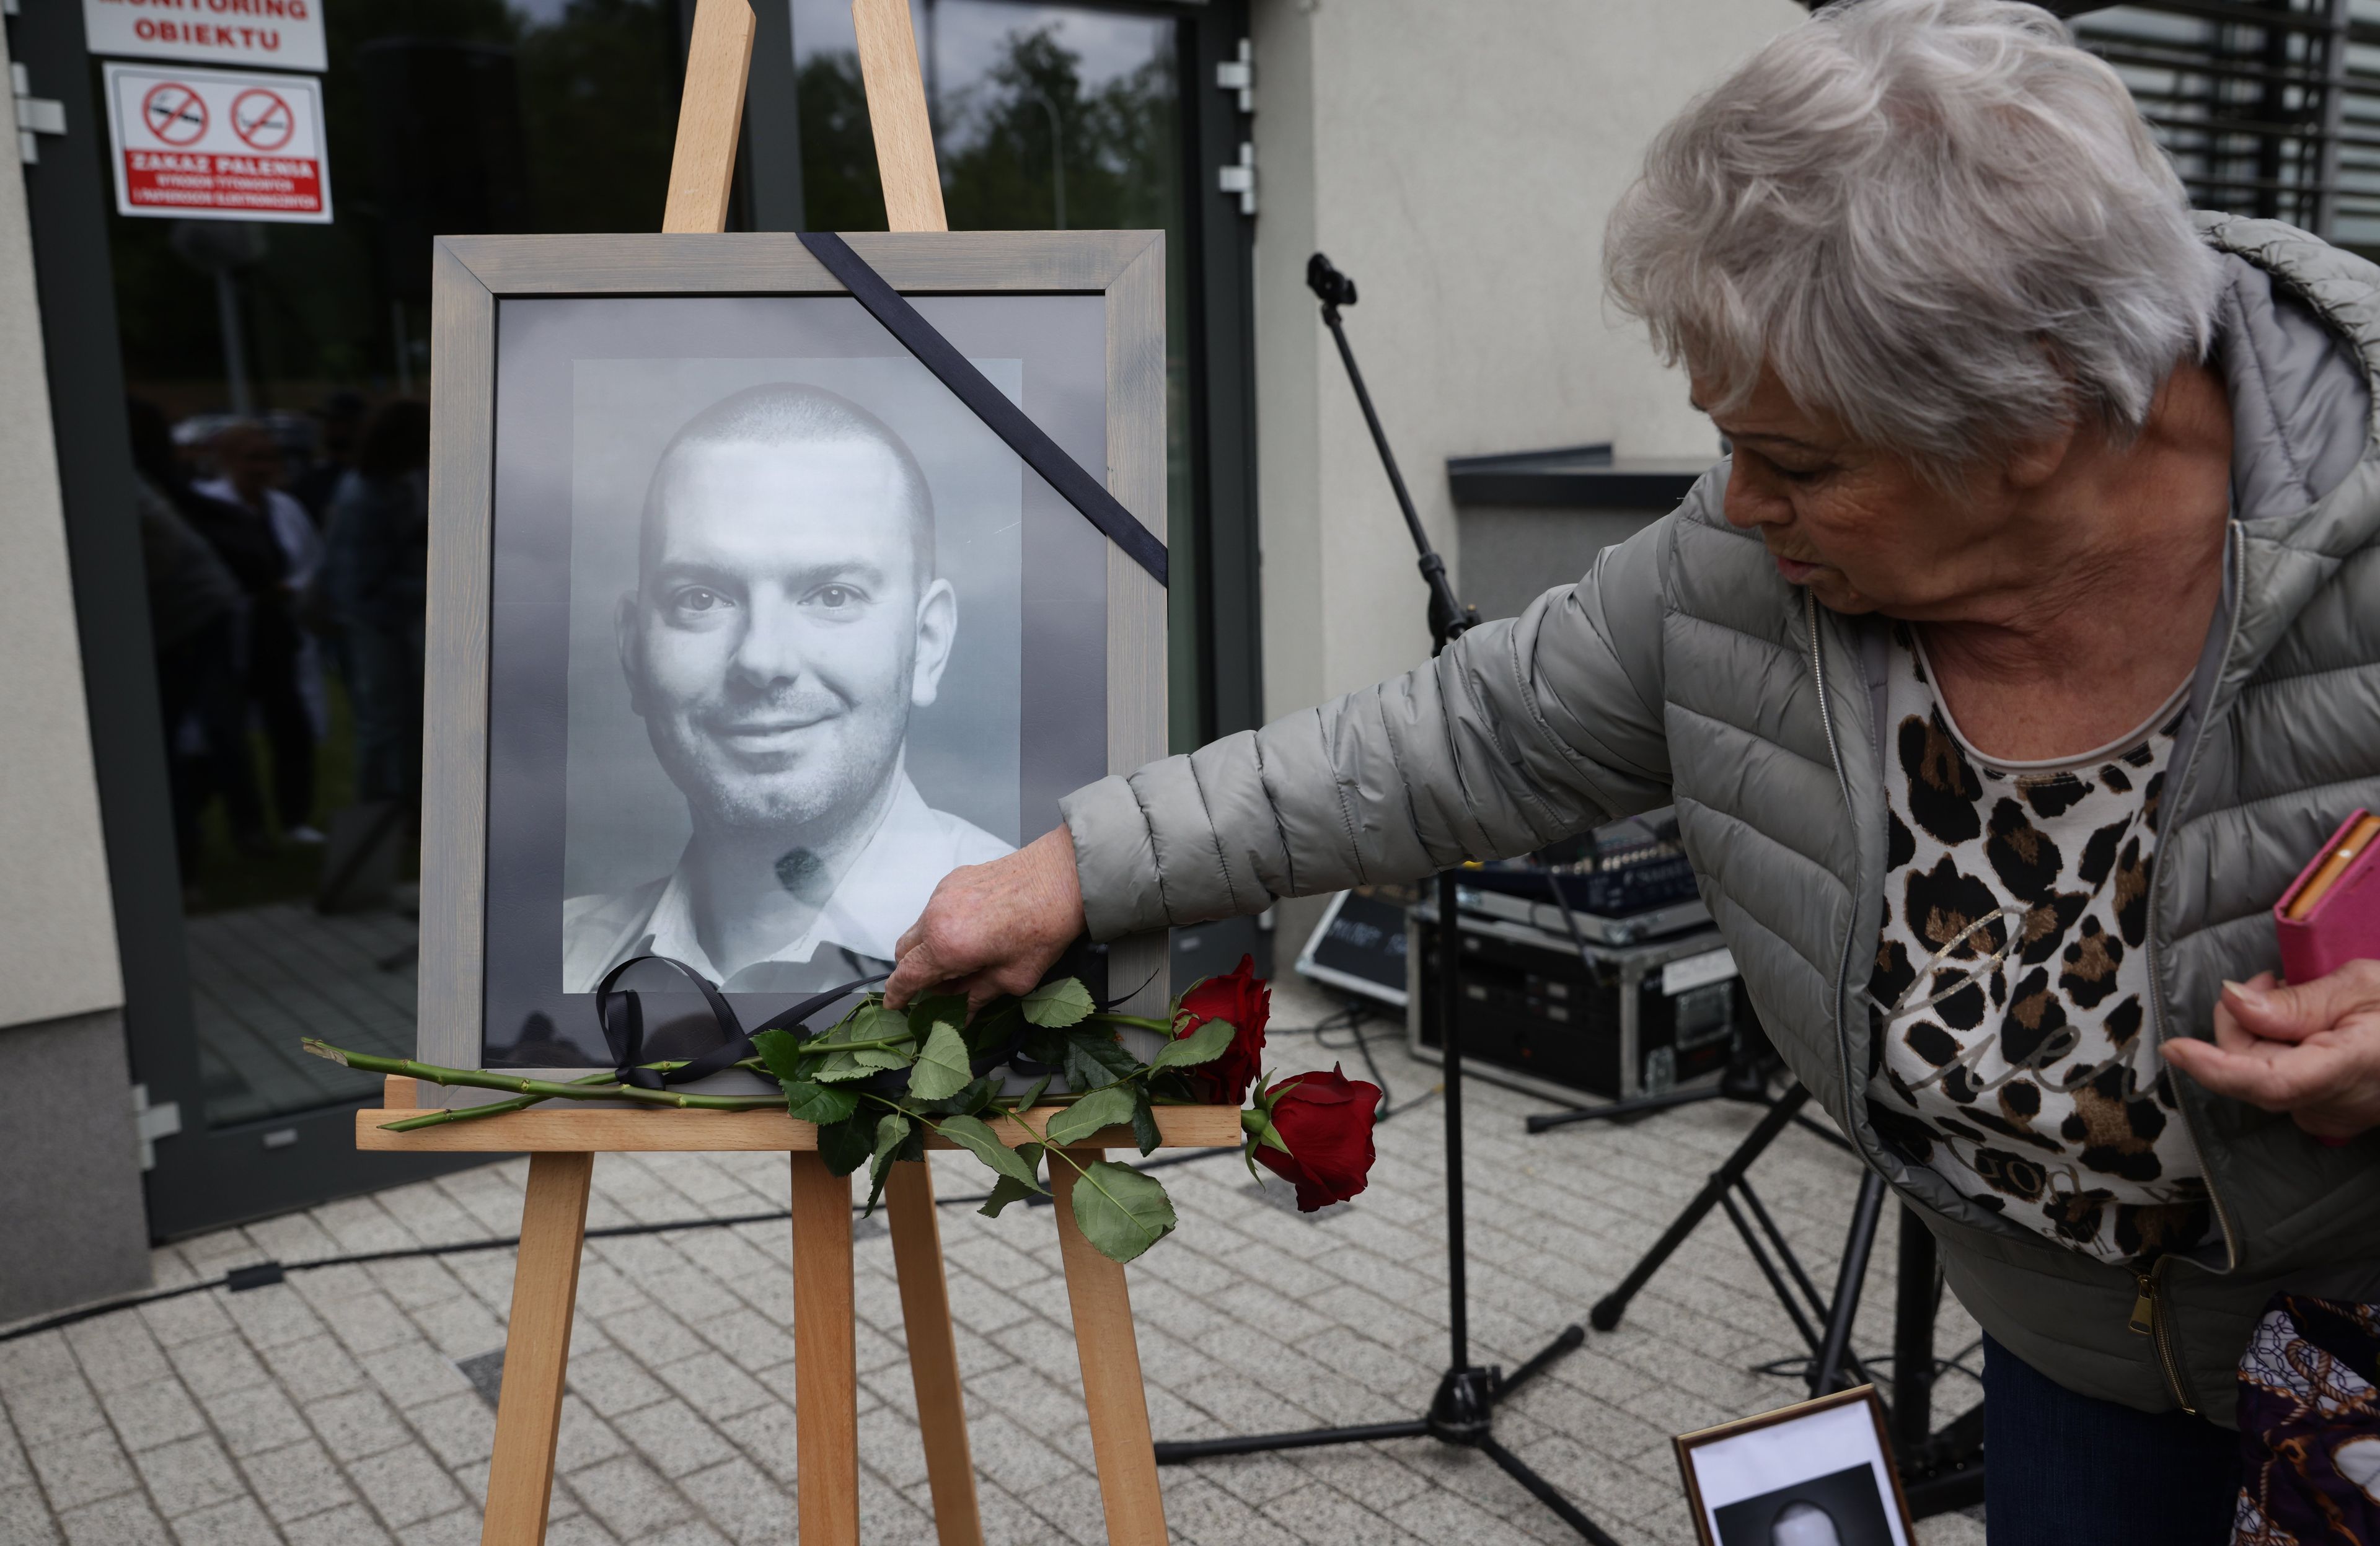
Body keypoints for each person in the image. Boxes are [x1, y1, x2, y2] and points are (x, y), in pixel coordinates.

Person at [884, 4, 2380, 1542]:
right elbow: (1460, 737)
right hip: (2078, 1359)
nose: (1739, 501)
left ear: (2036, 417)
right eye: (1730, 442)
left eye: (1799, 462)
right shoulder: (1738, 563)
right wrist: (1074, 867)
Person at [562, 383, 1011, 995]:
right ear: (634, 652)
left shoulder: (1049, 956)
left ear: (927, 643)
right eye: (701, 598)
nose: (762, 658)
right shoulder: (545, 969)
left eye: (833, 595)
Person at [127, 398, 255, 877]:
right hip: (190, 608)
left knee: (194, 731)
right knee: (195, 731)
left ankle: (199, 844)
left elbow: (163, 544)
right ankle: (201, 838)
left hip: (191, 610)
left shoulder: (122, 485)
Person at [199, 421, 325, 845]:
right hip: (226, 633)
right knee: (226, 737)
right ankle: (246, 826)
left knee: (292, 729)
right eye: (252, 458)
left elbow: (310, 560)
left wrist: (292, 587)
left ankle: (295, 818)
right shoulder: (209, 506)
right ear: (227, 460)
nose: (262, 467)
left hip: (276, 634)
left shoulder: (284, 507)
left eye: (269, 458)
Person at [322, 400, 430, 807]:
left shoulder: (405, 481)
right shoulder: (363, 497)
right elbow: (356, 586)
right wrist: (434, 587)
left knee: (411, 716)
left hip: (398, 617)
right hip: (370, 624)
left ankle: (408, 802)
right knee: (383, 720)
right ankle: (373, 810)